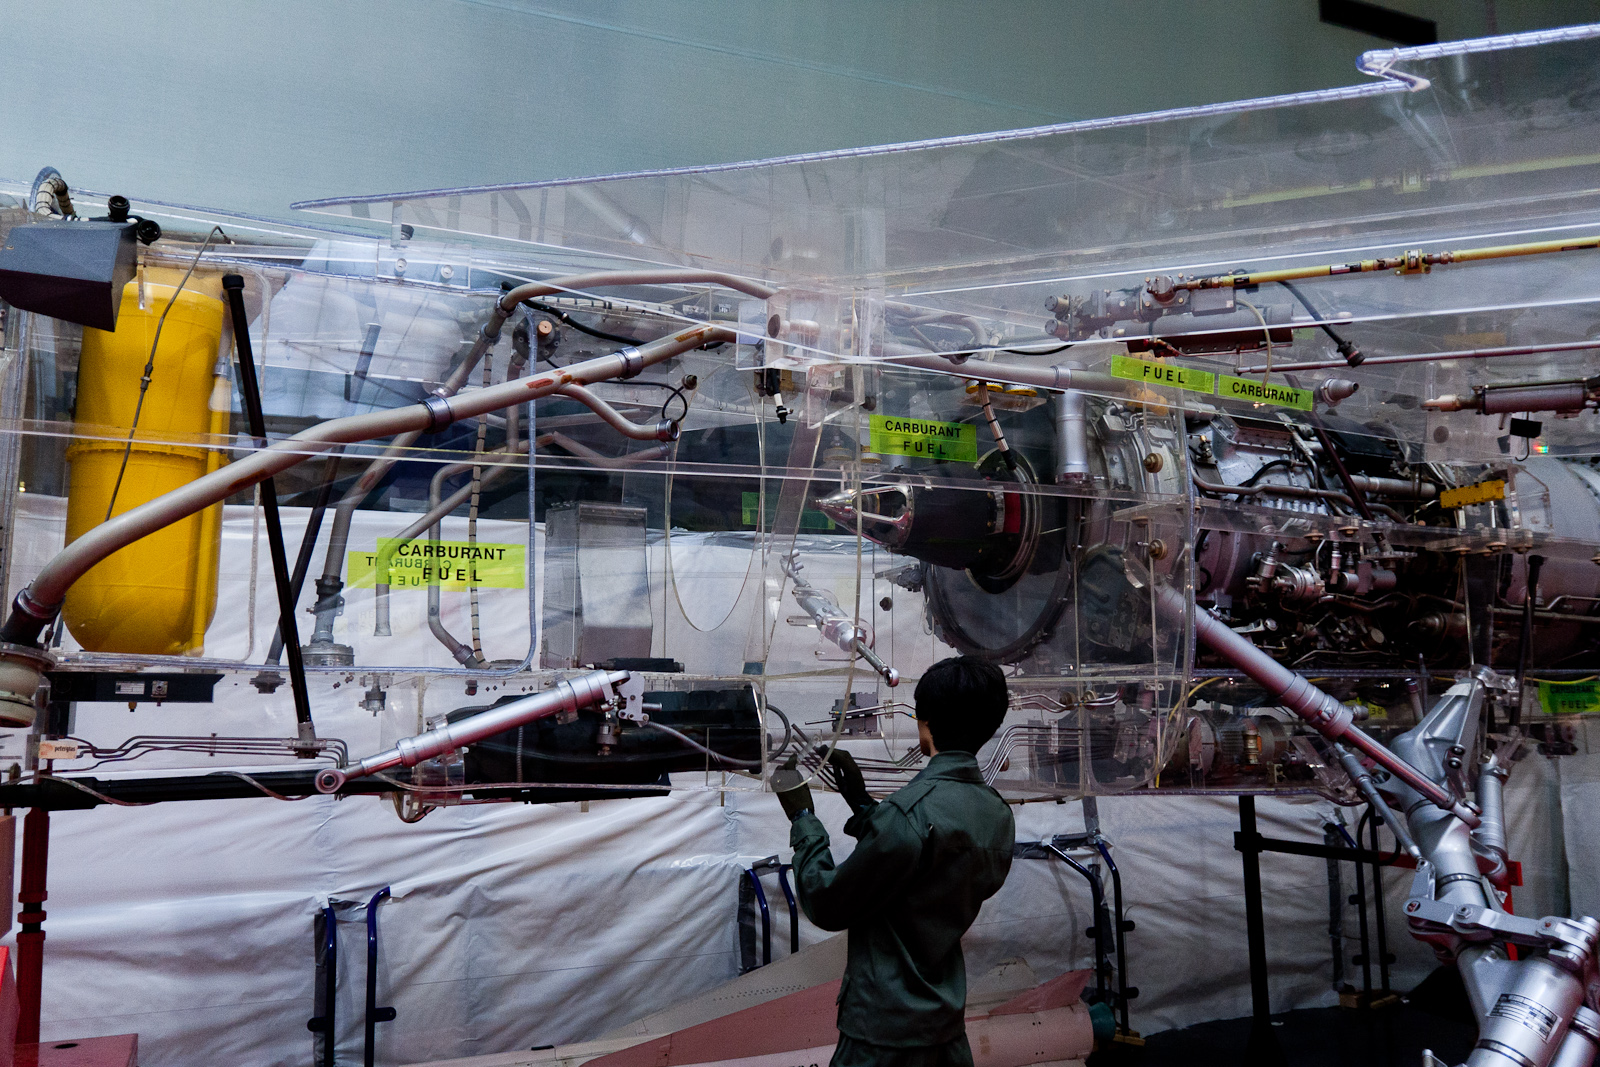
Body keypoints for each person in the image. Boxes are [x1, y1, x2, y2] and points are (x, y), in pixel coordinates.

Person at [772, 656, 1015, 1067]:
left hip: (882, 1040)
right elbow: (925, 868)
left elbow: (826, 902)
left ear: (925, 722)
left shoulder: (906, 815)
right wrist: (864, 804)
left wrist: (803, 819)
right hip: (945, 1034)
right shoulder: (996, 814)